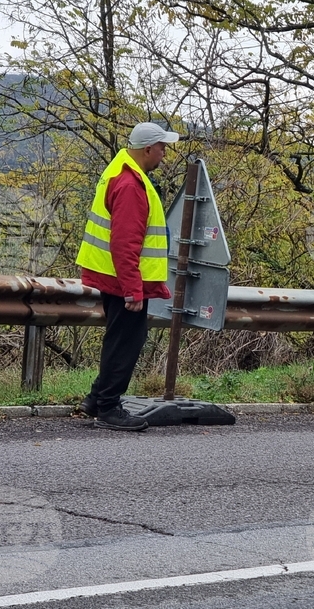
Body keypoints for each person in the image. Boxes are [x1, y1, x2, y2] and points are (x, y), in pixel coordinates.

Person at [76, 122, 179, 431]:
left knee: (119, 338)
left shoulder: (122, 173)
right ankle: (108, 407)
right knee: (126, 342)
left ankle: (96, 399)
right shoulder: (132, 185)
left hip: (116, 277)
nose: (164, 153)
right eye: (162, 147)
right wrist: (133, 288)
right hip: (125, 281)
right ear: (147, 149)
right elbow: (125, 242)